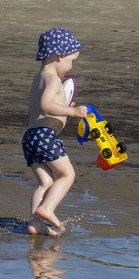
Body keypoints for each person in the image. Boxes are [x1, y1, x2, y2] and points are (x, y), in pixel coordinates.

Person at [24, 28, 89, 236]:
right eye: (72, 60)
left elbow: (45, 104)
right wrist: (72, 111)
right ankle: (47, 209)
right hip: (45, 136)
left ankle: (36, 223)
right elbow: (45, 105)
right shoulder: (52, 79)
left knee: (46, 182)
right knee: (67, 175)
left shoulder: (40, 78)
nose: (71, 66)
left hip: (30, 138)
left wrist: (63, 105)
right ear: (59, 56)